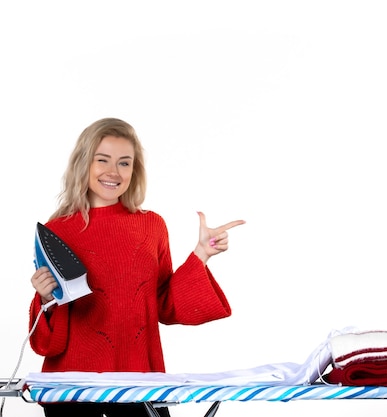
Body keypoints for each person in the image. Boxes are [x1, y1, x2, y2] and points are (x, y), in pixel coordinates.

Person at [28, 117, 245, 417]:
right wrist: (45, 299)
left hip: (140, 385)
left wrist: (200, 255)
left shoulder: (151, 226)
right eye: (102, 160)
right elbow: (47, 342)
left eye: (124, 163)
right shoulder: (58, 231)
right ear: (83, 163)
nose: (113, 172)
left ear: (134, 170)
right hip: (72, 390)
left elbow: (163, 304)